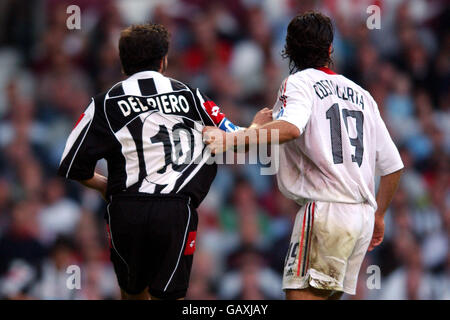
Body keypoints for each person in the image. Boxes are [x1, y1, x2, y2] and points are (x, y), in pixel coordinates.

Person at [57, 23, 270, 300]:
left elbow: (71, 164)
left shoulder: (105, 102)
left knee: (132, 294)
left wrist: (104, 187)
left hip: (126, 208)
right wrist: (255, 127)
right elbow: (234, 137)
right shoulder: (190, 95)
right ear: (163, 61)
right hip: (174, 209)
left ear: (123, 64)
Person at [203, 12, 404, 300]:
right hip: (360, 218)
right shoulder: (363, 96)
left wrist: (231, 139)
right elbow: (393, 166)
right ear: (330, 49)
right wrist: (380, 215)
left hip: (326, 213)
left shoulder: (297, 84)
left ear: (288, 50)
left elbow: (290, 128)